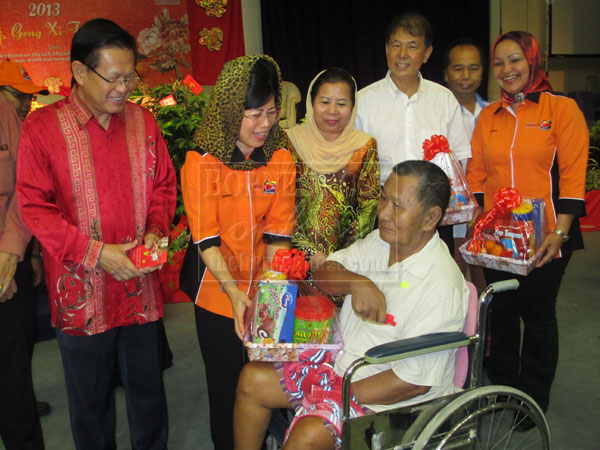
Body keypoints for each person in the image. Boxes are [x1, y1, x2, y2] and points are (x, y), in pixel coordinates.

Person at [16, 19, 176, 450]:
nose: (124, 88)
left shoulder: (144, 123)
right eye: (114, 78)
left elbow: (163, 185)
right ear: (80, 71)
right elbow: (34, 207)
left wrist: (157, 230)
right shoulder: (42, 129)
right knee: (90, 402)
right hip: (80, 291)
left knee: (148, 394)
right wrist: (96, 253)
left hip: (139, 287)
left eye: (130, 76)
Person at [234, 160, 469, 449]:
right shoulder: (381, 242)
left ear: (431, 218)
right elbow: (324, 274)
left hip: (391, 405)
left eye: (398, 206)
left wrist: (335, 391)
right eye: (383, 198)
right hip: (340, 365)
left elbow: (413, 382)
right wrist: (357, 282)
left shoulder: (441, 284)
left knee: (308, 435)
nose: (383, 213)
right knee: (251, 381)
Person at [466, 31, 588, 420]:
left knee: (537, 316)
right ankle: (505, 388)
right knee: (500, 313)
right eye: (499, 63)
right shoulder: (488, 117)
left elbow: (572, 175)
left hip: (549, 234)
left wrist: (560, 233)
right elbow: (477, 174)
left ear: (533, 61)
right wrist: (477, 224)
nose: (507, 70)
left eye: (515, 60)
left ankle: (533, 400)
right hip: (500, 238)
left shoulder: (561, 109)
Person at [179, 55, 296, 450]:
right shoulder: (202, 161)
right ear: (232, 110)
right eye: (253, 114)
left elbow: (279, 233)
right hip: (216, 289)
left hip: (265, 280)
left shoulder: (279, 157)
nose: (264, 124)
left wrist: (268, 290)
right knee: (227, 382)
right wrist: (234, 292)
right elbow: (206, 240)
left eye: (271, 113)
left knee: (268, 375)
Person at [355, 12, 471, 254]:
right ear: (386, 49)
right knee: (384, 284)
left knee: (432, 284)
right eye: (395, 45)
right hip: (382, 214)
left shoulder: (443, 99)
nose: (402, 54)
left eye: (412, 46)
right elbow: (354, 165)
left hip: (432, 214)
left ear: (427, 53)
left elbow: (460, 160)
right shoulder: (364, 100)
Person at [286, 68, 380, 271]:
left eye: (341, 103)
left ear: (353, 106)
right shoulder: (289, 142)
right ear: (312, 103)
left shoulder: (364, 146)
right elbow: (279, 205)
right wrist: (309, 252)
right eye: (325, 101)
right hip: (296, 261)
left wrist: (341, 257)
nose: (332, 111)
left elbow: (369, 206)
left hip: (348, 262)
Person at [0, 58, 47, 450]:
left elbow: (25, 188)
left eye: (29, 98)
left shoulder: (14, 120)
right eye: (19, 96)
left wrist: (22, 253)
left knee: (15, 369)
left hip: (9, 262)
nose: (25, 105)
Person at [442, 39, 489, 284]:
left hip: (488, 217)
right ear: (446, 73)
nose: (466, 75)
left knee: (487, 289)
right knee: (454, 285)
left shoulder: (494, 113)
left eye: (474, 68)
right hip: (451, 222)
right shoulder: (438, 115)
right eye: (458, 68)